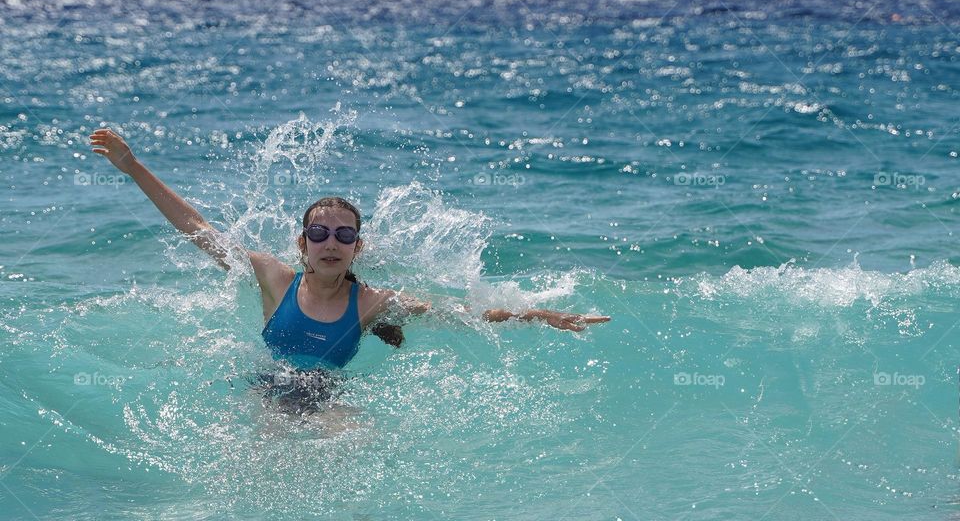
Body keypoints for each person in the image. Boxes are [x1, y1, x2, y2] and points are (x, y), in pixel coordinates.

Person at [88, 127, 611, 381]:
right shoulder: (274, 278)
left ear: (358, 247)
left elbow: (467, 316)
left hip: (327, 399)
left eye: (343, 236)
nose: (330, 244)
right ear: (302, 244)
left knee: (351, 451)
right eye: (319, 234)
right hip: (268, 386)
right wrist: (134, 167)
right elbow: (197, 229)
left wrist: (540, 315)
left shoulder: (373, 304)